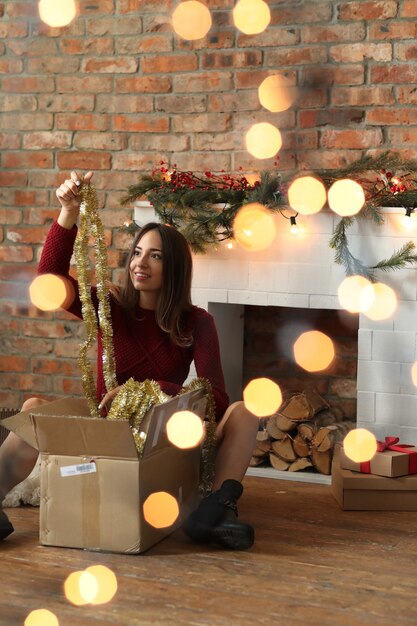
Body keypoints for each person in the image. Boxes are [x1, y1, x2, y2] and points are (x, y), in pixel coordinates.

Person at [0, 171, 259, 549]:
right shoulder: (111, 306)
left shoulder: (196, 322)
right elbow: (49, 281)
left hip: (167, 438)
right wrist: (68, 212)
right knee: (34, 409)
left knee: (245, 411)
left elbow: (215, 399)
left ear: (174, 268)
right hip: (110, 431)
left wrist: (146, 391)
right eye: (137, 252)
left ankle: (215, 513)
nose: (141, 263)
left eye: (155, 256)